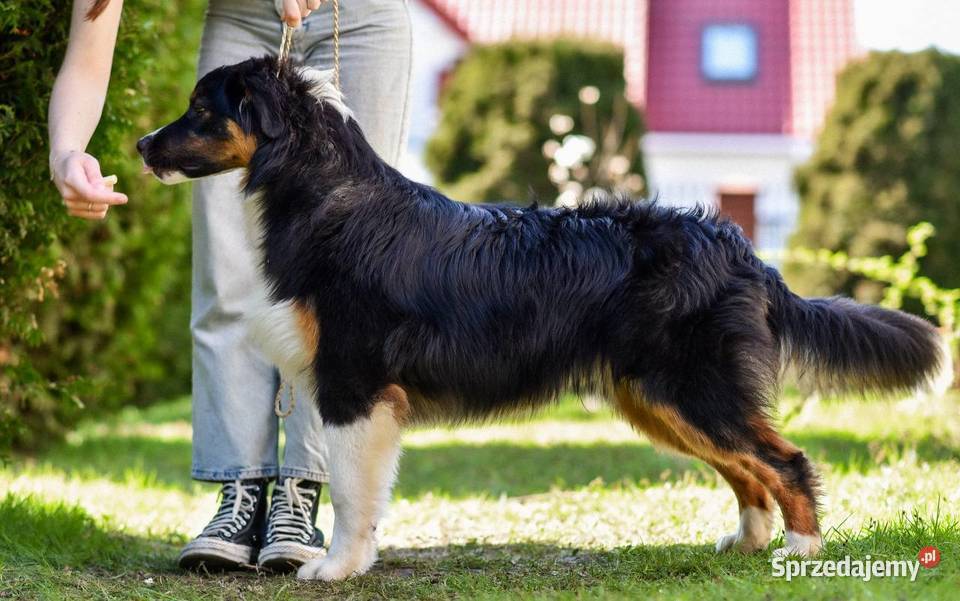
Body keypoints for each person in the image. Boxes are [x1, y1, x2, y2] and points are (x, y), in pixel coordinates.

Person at [49, 0, 411, 571]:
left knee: (348, 293)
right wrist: (66, 153)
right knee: (228, 279)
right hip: (241, 19)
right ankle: (239, 490)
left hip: (360, 18)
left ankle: (302, 494)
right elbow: (89, 49)